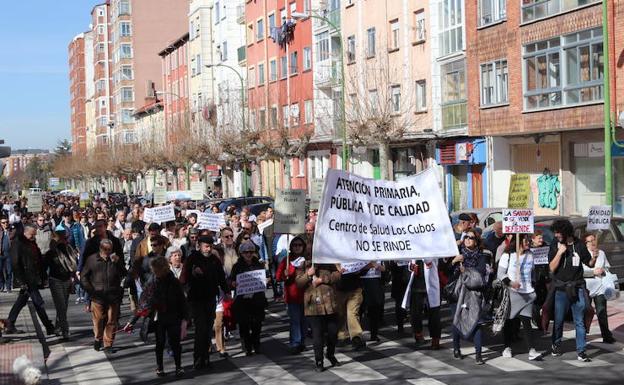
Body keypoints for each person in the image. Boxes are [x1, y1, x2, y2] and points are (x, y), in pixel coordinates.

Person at [544, 219, 595, 362]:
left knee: (579, 320)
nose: (556, 236)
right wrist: (560, 253)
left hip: (577, 287)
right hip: (560, 289)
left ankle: (581, 351)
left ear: (567, 232)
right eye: (555, 233)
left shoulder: (579, 245)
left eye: (558, 233)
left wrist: (594, 257)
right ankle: (556, 344)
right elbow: (552, 268)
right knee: (559, 319)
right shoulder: (555, 244)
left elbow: (589, 263)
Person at [181, 236, 229, 370]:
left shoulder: (214, 260)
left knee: (208, 329)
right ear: (199, 246)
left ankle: (206, 357)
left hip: (210, 298)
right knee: (200, 329)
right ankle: (198, 359)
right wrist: (193, 272)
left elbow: (221, 277)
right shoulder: (192, 259)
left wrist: (227, 291)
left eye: (210, 246)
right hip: (196, 299)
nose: (208, 249)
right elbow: (183, 278)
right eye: (205, 246)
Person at [497, 234, 541, 360]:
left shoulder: (531, 255)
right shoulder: (508, 255)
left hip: (527, 293)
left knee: (527, 321)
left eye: (529, 239)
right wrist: (511, 283)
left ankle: (531, 350)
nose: (528, 242)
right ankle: (507, 347)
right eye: (526, 239)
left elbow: (532, 273)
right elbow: (500, 274)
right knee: (510, 321)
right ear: (519, 240)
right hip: (512, 293)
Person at [5, 225, 55, 335]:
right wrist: (21, 281)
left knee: (21, 301)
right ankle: (49, 326)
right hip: (26, 279)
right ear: (25, 233)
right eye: (32, 234)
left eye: (35, 234)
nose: (34, 236)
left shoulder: (31, 243)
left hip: (33, 278)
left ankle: (10, 323)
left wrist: (43, 276)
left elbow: (37, 260)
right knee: (38, 302)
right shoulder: (18, 243)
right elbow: (15, 263)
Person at [450, 230, 490, 365]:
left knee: (476, 323)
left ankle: (478, 354)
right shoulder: (456, 253)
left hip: (473, 295)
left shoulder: (481, 257)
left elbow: (479, 277)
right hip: (457, 293)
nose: (467, 239)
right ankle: (456, 349)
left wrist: (465, 271)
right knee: (457, 320)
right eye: (466, 237)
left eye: (471, 238)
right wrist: (454, 260)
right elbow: (445, 271)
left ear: (476, 241)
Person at [143, 256, 188, 377]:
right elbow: (144, 300)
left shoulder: (174, 282)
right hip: (159, 317)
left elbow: (182, 300)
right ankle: (160, 367)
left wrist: (185, 318)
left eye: (156, 270)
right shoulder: (151, 282)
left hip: (173, 315)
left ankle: (178, 366)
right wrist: (133, 320)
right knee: (160, 342)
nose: (154, 272)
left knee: (175, 343)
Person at [81, 239, 127, 352]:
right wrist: (91, 291)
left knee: (111, 320)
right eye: (105, 249)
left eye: (110, 250)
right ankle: (98, 338)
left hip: (113, 295)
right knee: (99, 320)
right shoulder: (92, 259)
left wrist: (118, 262)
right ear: (101, 249)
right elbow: (84, 277)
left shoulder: (115, 259)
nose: (108, 252)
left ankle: (108, 345)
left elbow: (124, 273)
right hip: (97, 296)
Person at [296, 260, 342, 372]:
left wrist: (322, 280)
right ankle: (319, 361)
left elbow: (338, 275)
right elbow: (298, 283)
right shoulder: (303, 264)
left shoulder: (329, 260)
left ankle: (330, 354)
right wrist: (308, 274)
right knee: (318, 334)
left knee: (333, 332)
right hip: (313, 306)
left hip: (330, 303)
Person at [230, 241, 268, 355]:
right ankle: (247, 347)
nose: (248, 254)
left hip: (257, 299)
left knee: (257, 324)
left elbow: (266, 277)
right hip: (243, 300)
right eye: (246, 252)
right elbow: (231, 280)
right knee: (244, 324)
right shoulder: (237, 266)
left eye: (251, 252)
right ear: (241, 253)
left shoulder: (259, 264)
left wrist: (267, 280)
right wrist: (233, 283)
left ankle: (256, 345)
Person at [45, 225, 78, 340]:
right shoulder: (51, 253)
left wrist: (73, 277)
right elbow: (44, 266)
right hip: (55, 281)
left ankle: (58, 327)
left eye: (65, 238)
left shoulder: (69, 250)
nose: (64, 240)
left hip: (67, 280)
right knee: (61, 306)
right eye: (62, 238)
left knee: (64, 306)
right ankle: (65, 331)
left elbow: (74, 264)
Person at [276, 235, 307, 354]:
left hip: (305, 295)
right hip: (293, 295)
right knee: (295, 321)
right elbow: (278, 277)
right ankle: (295, 343)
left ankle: (302, 342)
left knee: (304, 321)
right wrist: (285, 274)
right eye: (295, 245)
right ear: (291, 247)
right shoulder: (287, 260)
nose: (297, 247)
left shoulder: (307, 260)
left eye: (300, 245)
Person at [582, 232, 616, 343]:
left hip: (600, 288)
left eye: (593, 240)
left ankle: (606, 335)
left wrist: (604, 271)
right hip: (586, 288)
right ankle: (582, 334)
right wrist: (593, 272)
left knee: (602, 312)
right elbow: (579, 272)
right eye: (589, 241)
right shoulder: (582, 254)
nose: (592, 243)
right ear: (585, 243)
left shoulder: (601, 253)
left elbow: (607, 267)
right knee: (586, 311)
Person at [408, 259, 441, 349]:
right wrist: (411, 266)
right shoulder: (415, 248)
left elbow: (431, 261)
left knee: (434, 314)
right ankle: (418, 335)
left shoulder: (432, 248)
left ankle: (435, 339)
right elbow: (410, 262)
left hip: (431, 285)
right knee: (415, 313)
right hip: (416, 285)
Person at [0, 217, 13, 293]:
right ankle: (1, 286)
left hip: (9, 254)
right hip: (1, 254)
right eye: (3, 222)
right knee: (0, 270)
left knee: (9, 271)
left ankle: (8, 287)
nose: (5, 224)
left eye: (6, 222)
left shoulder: (11, 231)